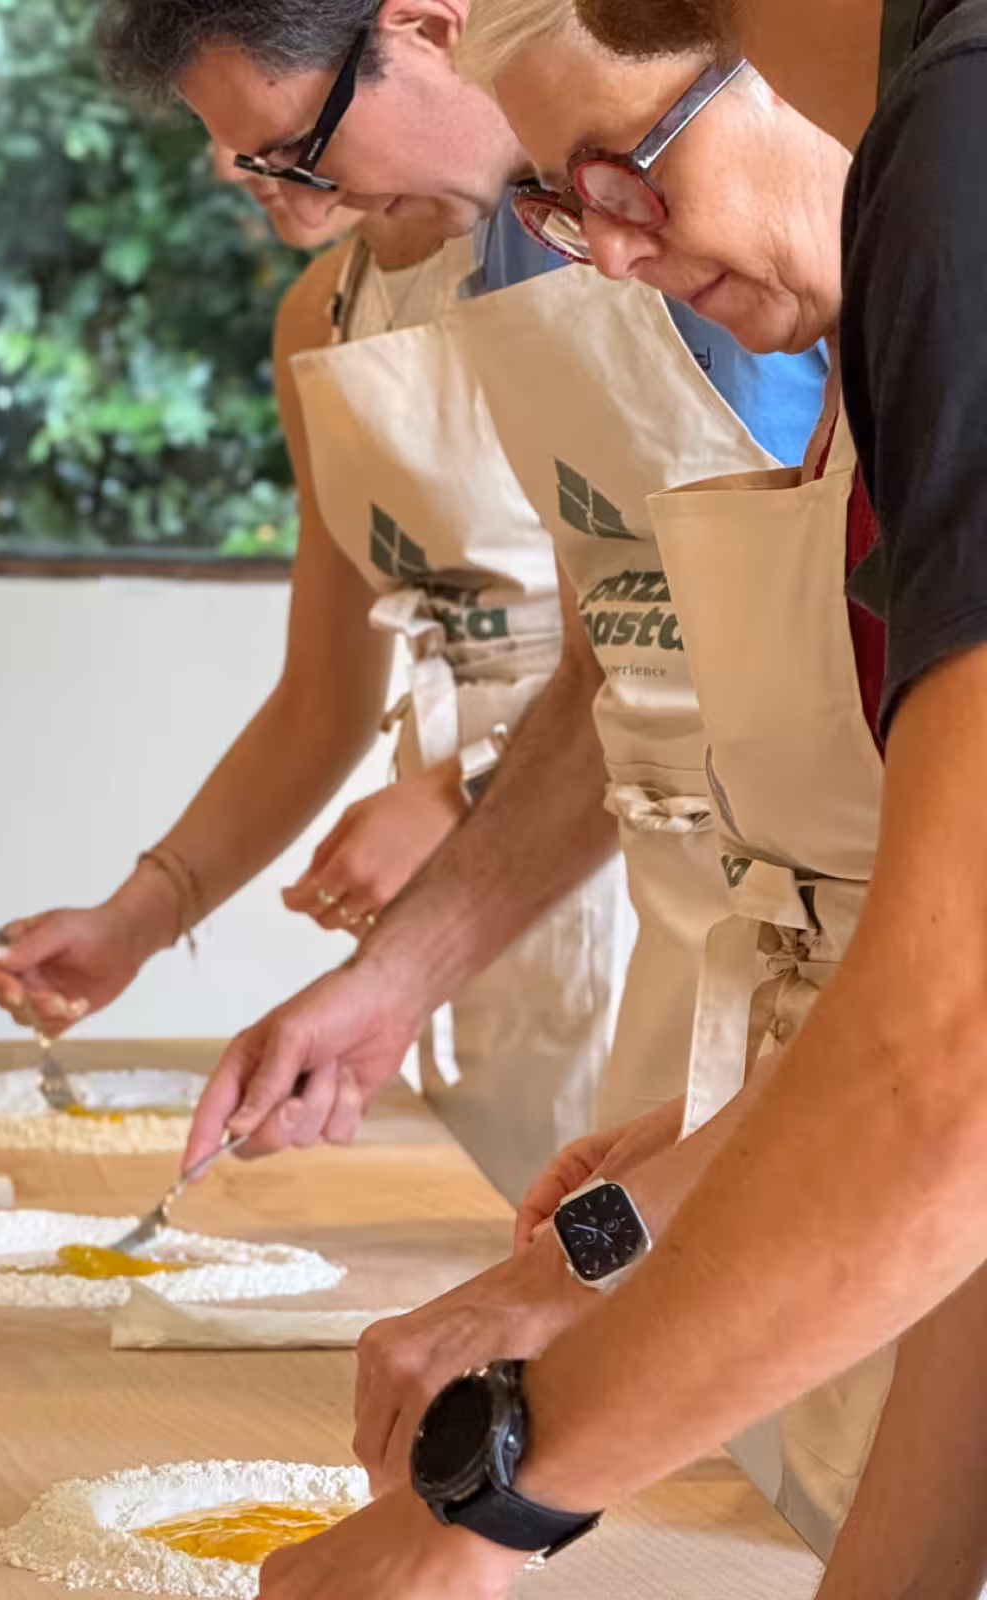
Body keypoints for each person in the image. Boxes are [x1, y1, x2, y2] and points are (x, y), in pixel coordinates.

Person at [236, 6, 987, 1599]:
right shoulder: (879, 278)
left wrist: (486, 1505)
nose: (614, 255)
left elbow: (945, 1072)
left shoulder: (950, 168)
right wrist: (625, 1227)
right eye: (568, 210)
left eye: (619, 173)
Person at [0, 0, 829, 1202]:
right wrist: (363, 974)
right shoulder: (508, 252)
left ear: (431, 28)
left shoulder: (777, 229)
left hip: (732, 910)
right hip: (642, 891)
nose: (265, 180)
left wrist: (459, 793)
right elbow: (621, 653)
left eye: (292, 145)